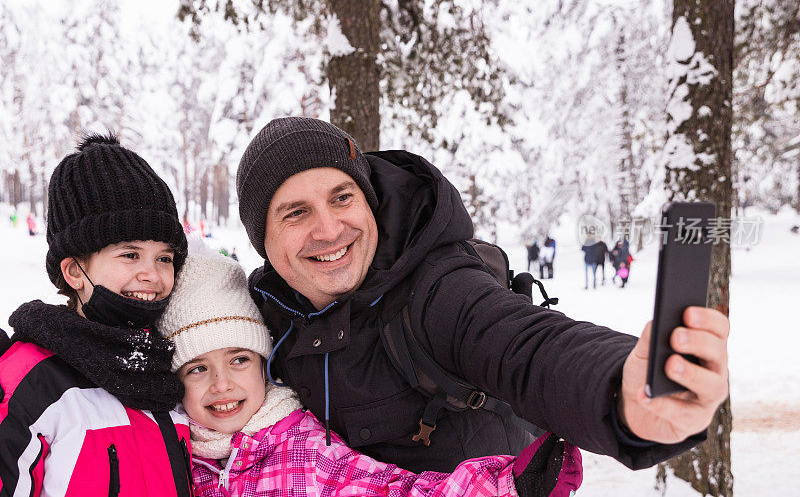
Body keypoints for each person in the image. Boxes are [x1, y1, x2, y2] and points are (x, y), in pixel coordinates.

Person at [236, 117, 729, 473]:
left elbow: (528, 349)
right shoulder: (256, 318)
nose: (329, 228)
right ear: (265, 241)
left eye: (342, 198)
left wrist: (623, 393)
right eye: (295, 213)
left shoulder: (436, 286)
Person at [157, 245, 582, 496]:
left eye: (239, 359)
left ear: (264, 363)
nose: (222, 384)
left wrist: (509, 487)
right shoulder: (167, 453)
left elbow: (388, 489)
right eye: (196, 368)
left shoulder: (298, 448)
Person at [0, 134, 192, 495]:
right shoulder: (33, 379)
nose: (152, 274)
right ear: (75, 272)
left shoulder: (172, 369)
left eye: (164, 258)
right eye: (129, 255)